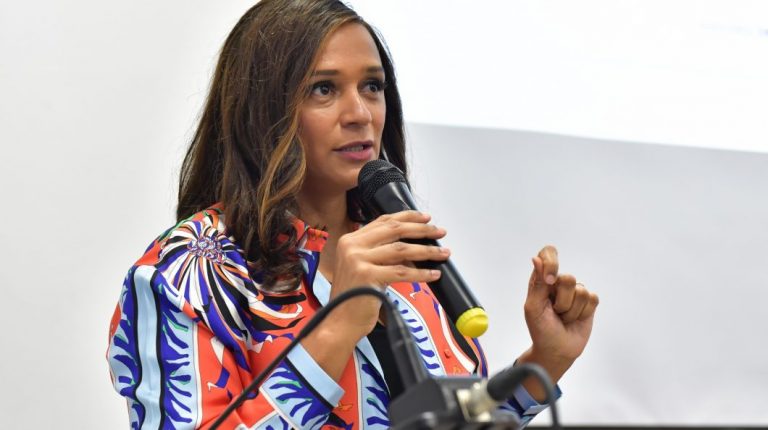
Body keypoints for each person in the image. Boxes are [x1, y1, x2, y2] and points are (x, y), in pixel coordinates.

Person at [106, 1, 599, 428]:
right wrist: (339, 325)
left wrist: (545, 362)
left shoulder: (396, 249)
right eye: (323, 88)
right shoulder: (189, 271)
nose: (360, 113)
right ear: (261, 110)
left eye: (372, 86)